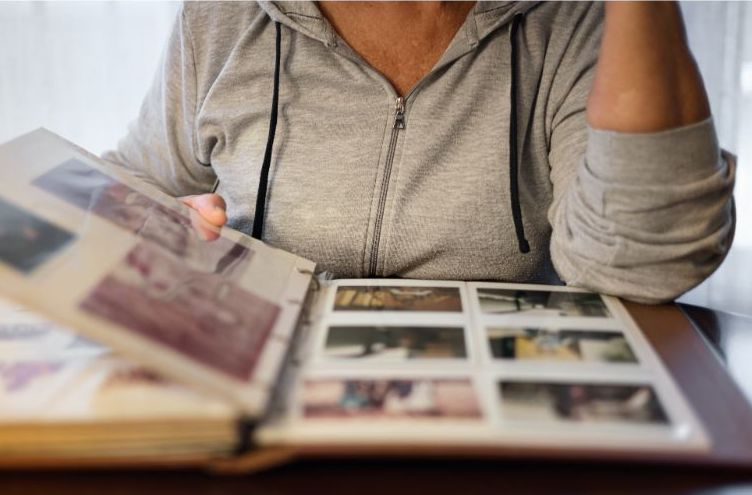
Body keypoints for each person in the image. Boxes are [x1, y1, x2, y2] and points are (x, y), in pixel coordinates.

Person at [104, 1, 735, 303]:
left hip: (498, 436)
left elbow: (643, 266)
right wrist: (165, 225)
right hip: (263, 425)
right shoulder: (223, 17)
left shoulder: (576, 20)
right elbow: (133, 187)